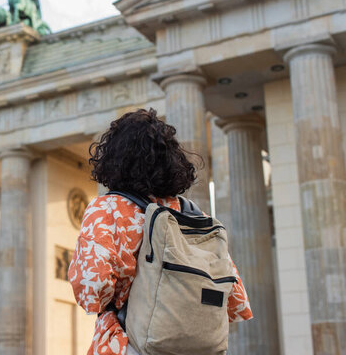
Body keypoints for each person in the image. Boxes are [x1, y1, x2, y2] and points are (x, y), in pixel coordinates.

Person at [68, 108, 253, 355]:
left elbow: (93, 288)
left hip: (127, 344)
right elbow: (235, 300)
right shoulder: (195, 217)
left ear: (113, 158)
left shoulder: (107, 210)